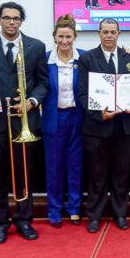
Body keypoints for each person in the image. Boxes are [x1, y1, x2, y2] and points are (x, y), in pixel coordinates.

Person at [0, 2, 49, 244]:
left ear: (21, 21)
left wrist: (31, 102)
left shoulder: (36, 46)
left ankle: (24, 220)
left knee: (24, 174)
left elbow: (43, 83)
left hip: (25, 121)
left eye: (16, 18)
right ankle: (0, 222)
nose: (11, 22)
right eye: (7, 18)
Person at [77, 19, 130, 232]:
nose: (109, 35)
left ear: (119, 34)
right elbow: (82, 93)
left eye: (113, 32)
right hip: (97, 127)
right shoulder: (86, 58)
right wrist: (98, 114)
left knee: (121, 173)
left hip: (124, 126)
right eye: (105, 32)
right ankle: (95, 216)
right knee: (97, 173)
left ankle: (120, 214)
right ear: (99, 34)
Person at [42, 14, 85, 228]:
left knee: (76, 165)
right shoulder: (45, 60)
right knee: (54, 167)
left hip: (77, 117)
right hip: (54, 118)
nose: (64, 41)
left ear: (74, 37)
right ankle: (54, 209)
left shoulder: (83, 58)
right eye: (61, 36)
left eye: (68, 36)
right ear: (55, 37)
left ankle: (74, 209)